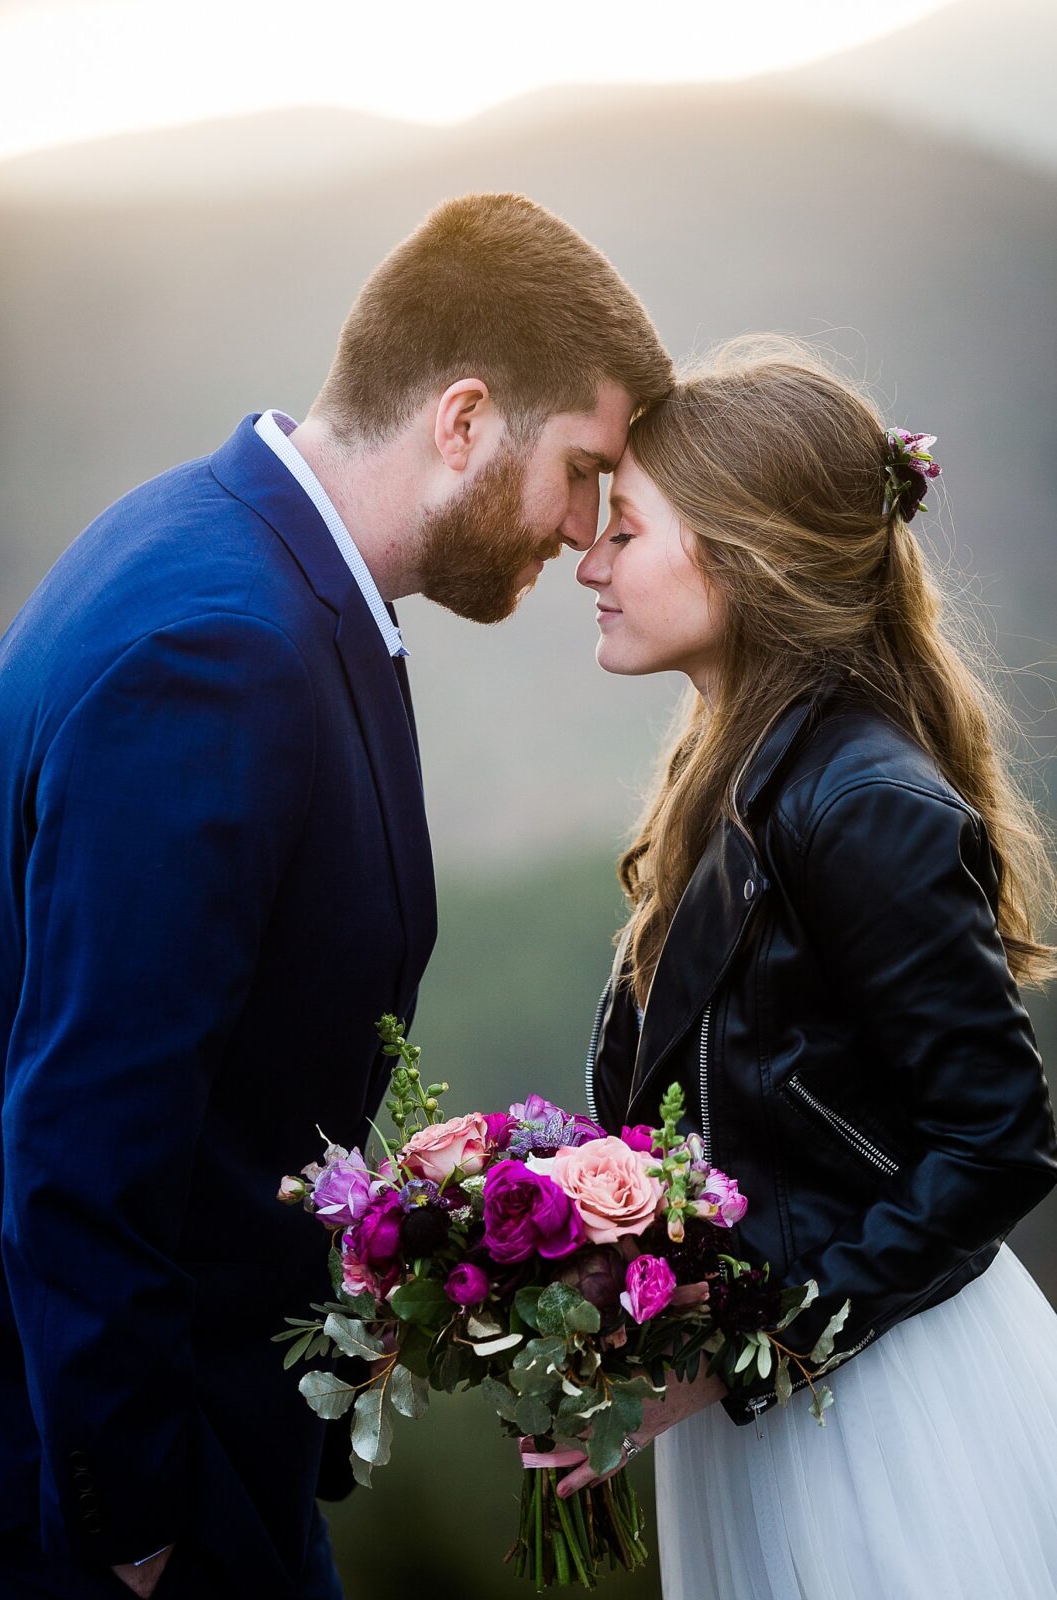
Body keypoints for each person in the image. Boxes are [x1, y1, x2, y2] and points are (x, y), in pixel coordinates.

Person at [0, 193, 671, 1599]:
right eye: (586, 470)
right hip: (119, 1498)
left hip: (227, 1453)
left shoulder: (244, 555)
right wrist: (136, 1530)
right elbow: (83, 1133)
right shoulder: (219, 648)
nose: (587, 529)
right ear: (467, 419)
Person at [562, 338, 1057, 1598]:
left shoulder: (859, 802)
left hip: (883, 1411)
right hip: (758, 1405)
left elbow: (997, 1141)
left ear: (740, 555)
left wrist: (754, 1350)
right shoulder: (720, 772)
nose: (589, 563)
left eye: (626, 532)